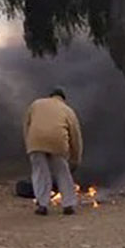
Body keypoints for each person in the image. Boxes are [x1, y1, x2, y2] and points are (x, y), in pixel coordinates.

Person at [23, 87, 84, 216]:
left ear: (50, 96)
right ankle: (68, 205)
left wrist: (29, 144)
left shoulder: (36, 104)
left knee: (40, 173)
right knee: (62, 172)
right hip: (58, 142)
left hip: (35, 141)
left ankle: (42, 205)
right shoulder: (67, 110)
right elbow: (75, 136)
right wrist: (76, 158)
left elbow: (26, 125)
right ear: (63, 99)